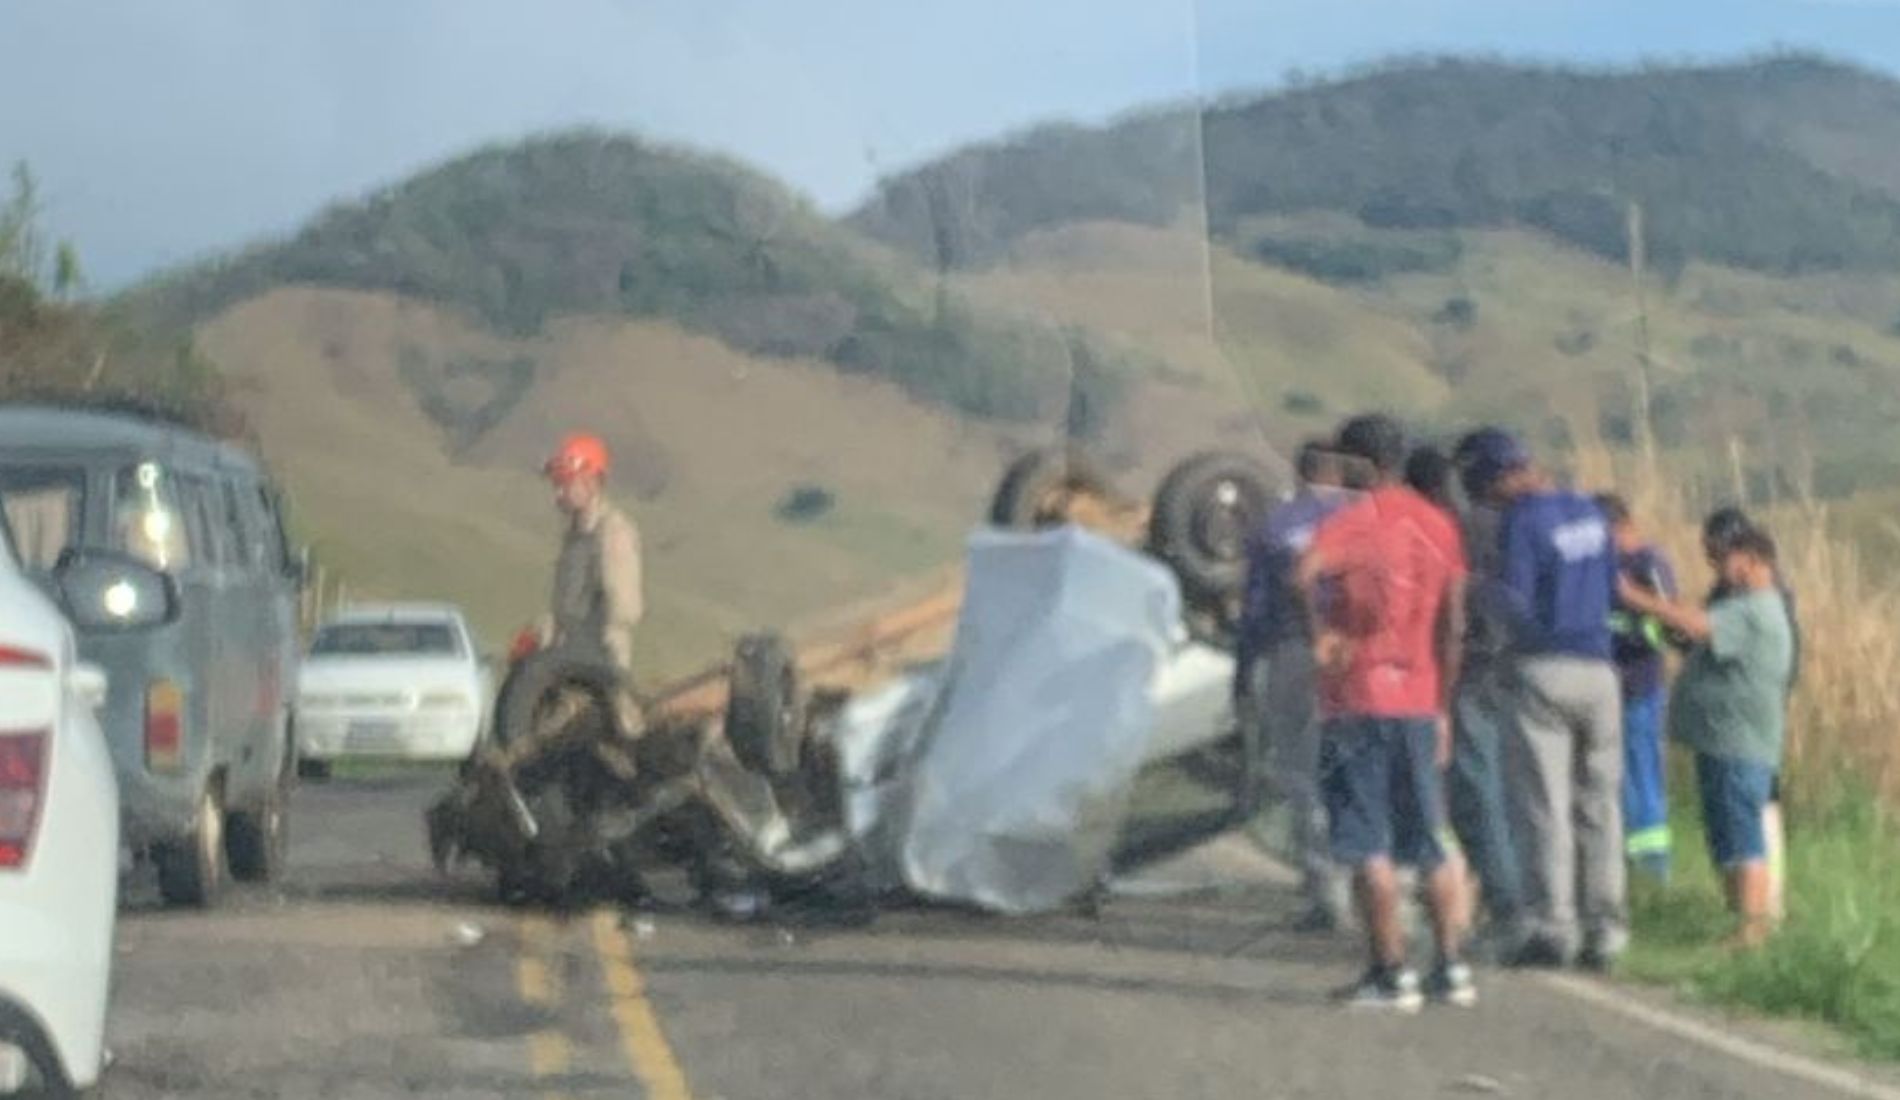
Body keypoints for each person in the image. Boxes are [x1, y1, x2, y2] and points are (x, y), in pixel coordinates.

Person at [1298, 414, 1473, 1010]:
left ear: (1357, 464)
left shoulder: (1350, 523)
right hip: (1420, 697)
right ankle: (1451, 967)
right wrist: (1444, 701)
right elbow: (1455, 621)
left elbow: (1302, 574)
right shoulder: (1439, 524)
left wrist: (1321, 634)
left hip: (1358, 698)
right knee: (1429, 836)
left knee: (1367, 840)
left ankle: (1389, 971)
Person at [1464, 429, 1624, 970]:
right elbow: (1612, 587)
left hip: (1543, 670)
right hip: (1601, 670)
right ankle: (1607, 927)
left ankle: (1555, 925)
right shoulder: (1588, 510)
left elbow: (1516, 601)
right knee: (1600, 804)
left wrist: (1475, 590)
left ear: (1497, 478)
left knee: (1544, 804)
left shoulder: (1522, 522)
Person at [1617, 524, 1793, 948]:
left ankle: (1753, 928)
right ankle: (1738, 919)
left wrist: (1636, 598)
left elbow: (1696, 625)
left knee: (1743, 836)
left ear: (1753, 560)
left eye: (1725, 559)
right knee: (1728, 837)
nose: (1718, 568)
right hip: (1721, 743)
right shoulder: (1744, 606)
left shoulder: (1755, 608)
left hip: (1739, 744)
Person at [1233, 440, 1355, 931]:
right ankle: (1364, 876)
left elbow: (1256, 608)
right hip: (1356, 655)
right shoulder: (1362, 519)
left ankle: (1327, 889)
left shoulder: (1277, 523)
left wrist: (1243, 671)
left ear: (1299, 471)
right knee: (1351, 769)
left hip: (1294, 653)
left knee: (1302, 771)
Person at [1442, 429, 1527, 949]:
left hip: (1479, 672)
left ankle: (1507, 905)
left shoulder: (1466, 529)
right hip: (1526, 671)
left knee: (1478, 793)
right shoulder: (1533, 525)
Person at [1595, 493, 1679, 885]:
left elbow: (1668, 619)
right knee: (1616, 779)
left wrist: (1631, 602)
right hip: (1609, 687)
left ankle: (1652, 869)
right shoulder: (1601, 566)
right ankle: (1623, 864)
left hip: (1640, 685)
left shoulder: (1648, 563)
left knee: (1642, 776)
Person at [538, 432, 646, 724]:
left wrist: (604, 665)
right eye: (556, 483)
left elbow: (625, 609)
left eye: (565, 483)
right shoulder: (573, 538)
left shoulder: (612, 533)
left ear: (590, 481)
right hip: (565, 663)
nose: (557, 493)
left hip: (600, 668)